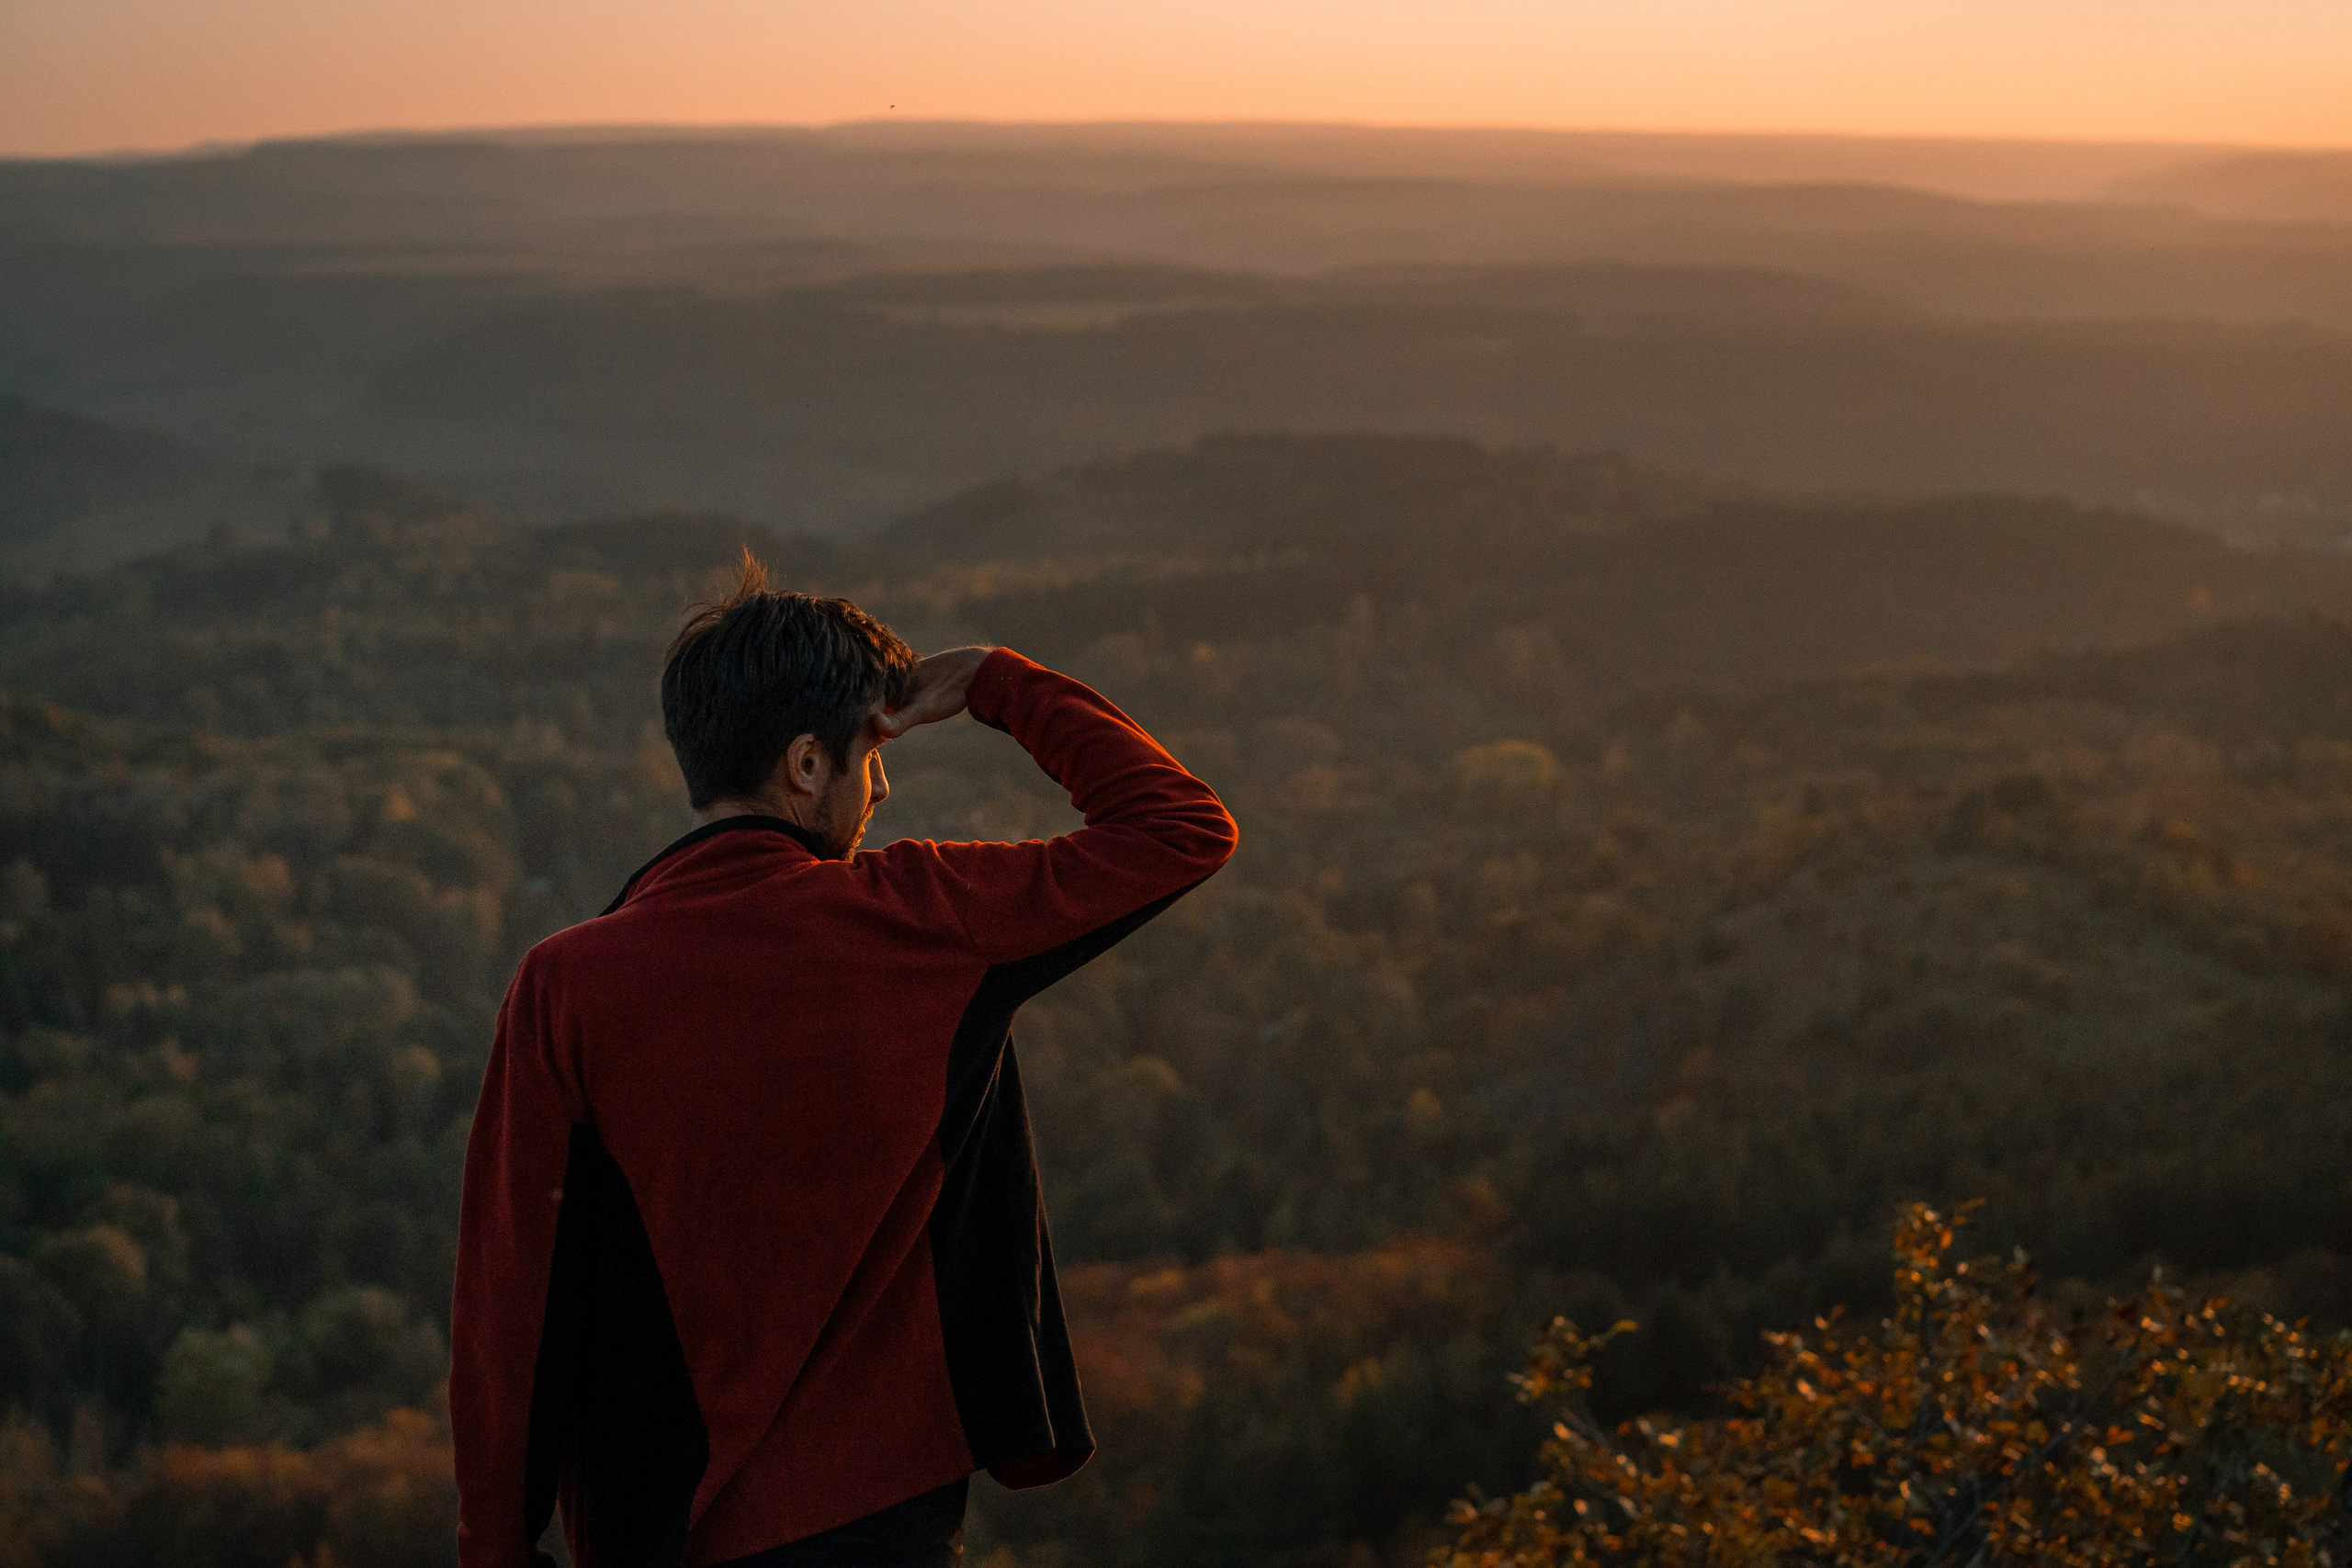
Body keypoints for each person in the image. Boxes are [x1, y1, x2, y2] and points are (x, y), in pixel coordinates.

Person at [449, 555, 1238, 1568]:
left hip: (655, 1534)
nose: (883, 784)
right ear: (806, 766)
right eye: (869, 752)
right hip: (883, 1524)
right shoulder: (923, 922)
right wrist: (997, 682)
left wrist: (494, 1549)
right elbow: (1180, 826)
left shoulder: (564, 988)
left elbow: (512, 1305)